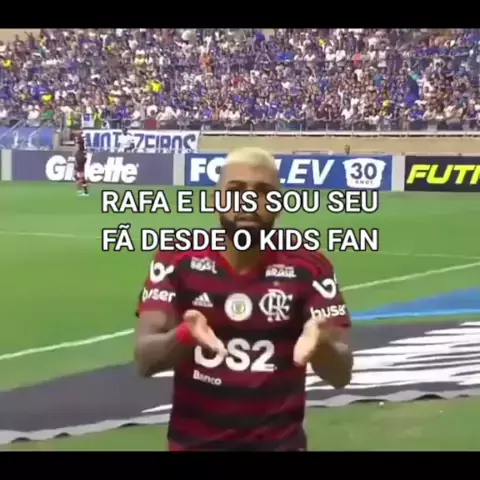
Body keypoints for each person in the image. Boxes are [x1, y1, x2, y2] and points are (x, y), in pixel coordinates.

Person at [135, 147, 353, 451]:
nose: (248, 202)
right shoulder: (177, 259)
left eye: (263, 192)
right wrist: (185, 336)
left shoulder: (310, 266)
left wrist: (321, 345)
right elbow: (144, 359)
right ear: (215, 200)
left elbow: (341, 375)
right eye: (236, 190)